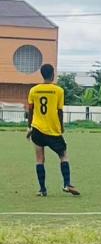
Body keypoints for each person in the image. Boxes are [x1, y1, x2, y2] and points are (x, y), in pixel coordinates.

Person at [26, 63, 79, 196]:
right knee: (63, 155)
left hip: (37, 128)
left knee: (39, 159)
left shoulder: (33, 90)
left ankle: (42, 189)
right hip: (53, 130)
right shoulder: (58, 91)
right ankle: (67, 184)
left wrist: (29, 127)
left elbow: (30, 110)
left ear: (42, 74)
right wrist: (61, 127)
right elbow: (59, 111)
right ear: (53, 74)